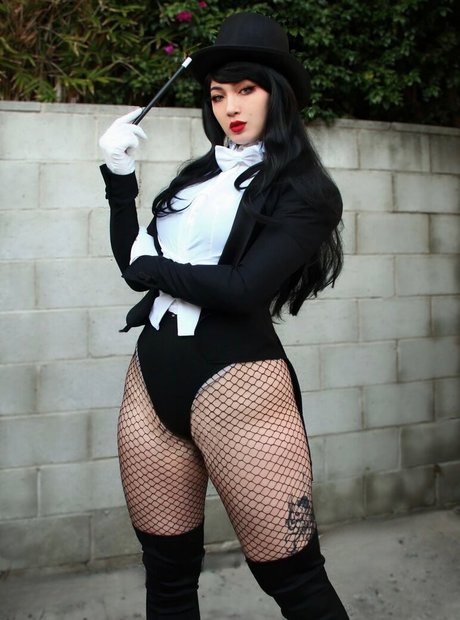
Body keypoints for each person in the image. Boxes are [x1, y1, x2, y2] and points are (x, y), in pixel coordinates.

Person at [99, 11, 349, 620]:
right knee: (166, 577)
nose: (230, 106)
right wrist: (120, 180)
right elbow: (132, 264)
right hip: (150, 379)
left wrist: (151, 269)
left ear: (277, 94)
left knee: (296, 583)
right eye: (218, 94)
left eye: (246, 89)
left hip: (239, 387)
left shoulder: (305, 190)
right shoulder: (197, 177)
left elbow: (241, 289)